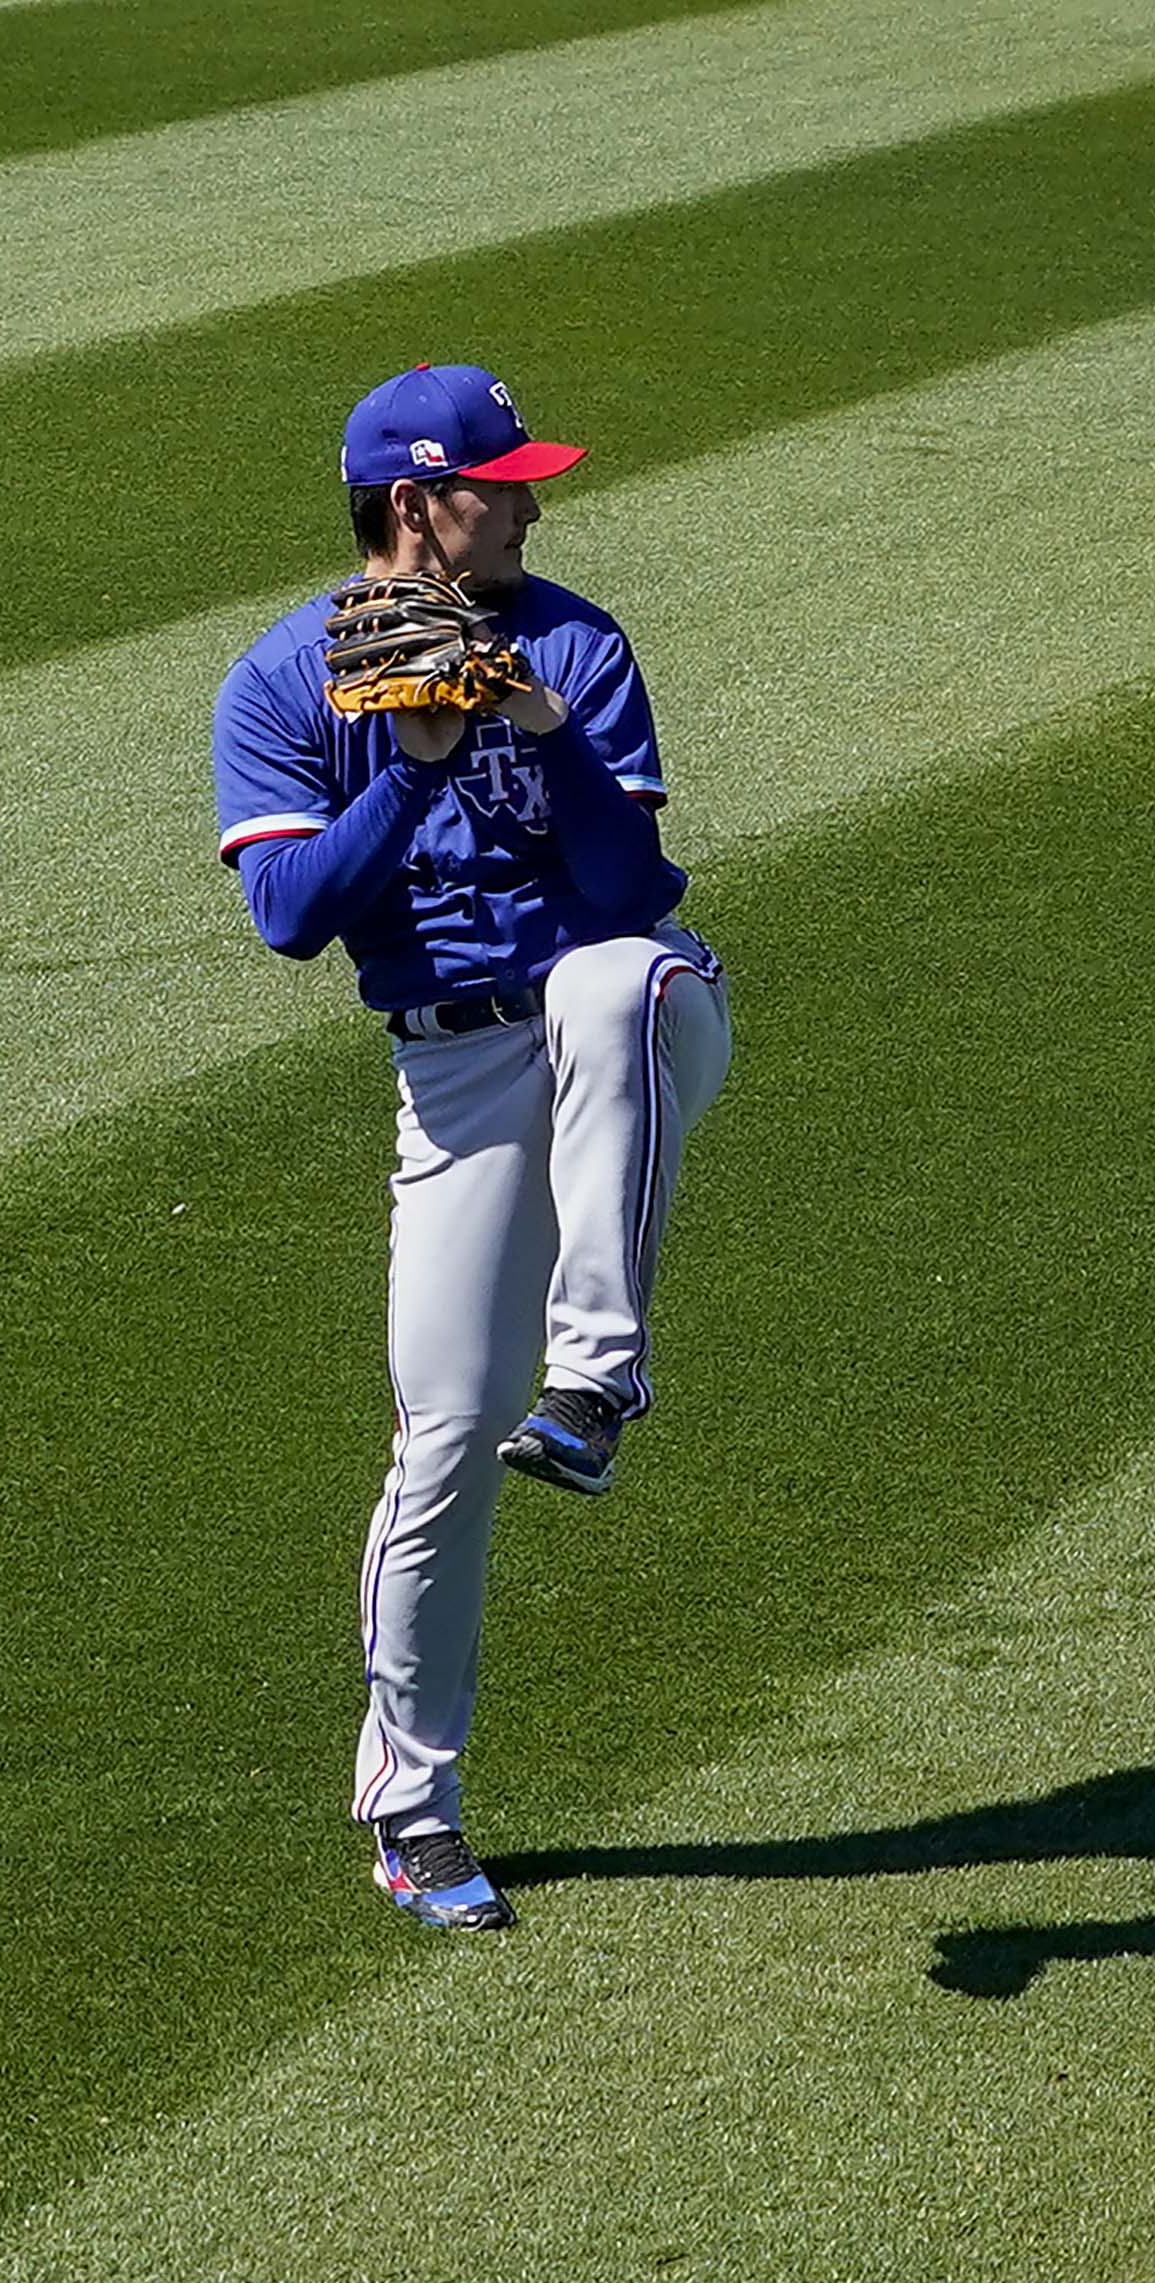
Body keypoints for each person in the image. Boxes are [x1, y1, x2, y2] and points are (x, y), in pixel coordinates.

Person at [210, 363, 733, 1933]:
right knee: (439, 1439)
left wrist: (532, 721)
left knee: (617, 979)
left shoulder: (571, 639)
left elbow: (633, 885)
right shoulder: (283, 682)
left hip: (623, 1017)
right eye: (501, 482)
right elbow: (294, 920)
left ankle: (601, 1375)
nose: (532, 499)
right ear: (415, 506)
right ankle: (411, 1812)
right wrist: (420, 762)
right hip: (448, 1071)